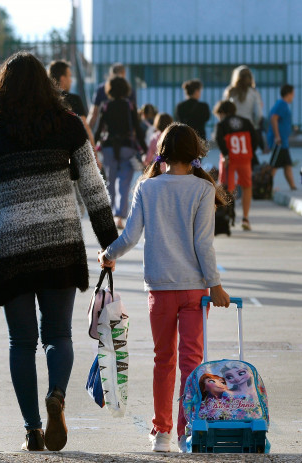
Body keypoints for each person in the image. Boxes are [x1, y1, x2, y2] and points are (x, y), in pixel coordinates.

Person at [0, 52, 118, 452]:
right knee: (58, 334)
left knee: (21, 341)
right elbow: (93, 187)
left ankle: (32, 429)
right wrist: (109, 242)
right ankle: (57, 396)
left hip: (8, 249)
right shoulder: (68, 126)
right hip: (59, 244)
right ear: (47, 86)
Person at [99, 123, 231, 453]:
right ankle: (188, 432)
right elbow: (204, 245)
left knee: (164, 360)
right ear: (195, 153)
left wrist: (108, 255)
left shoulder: (147, 187)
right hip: (194, 291)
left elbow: (130, 236)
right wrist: (215, 285)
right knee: (192, 362)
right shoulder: (202, 190)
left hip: (159, 289)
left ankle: (162, 433)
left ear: (162, 152)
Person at [94, 76, 146, 229]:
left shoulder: (105, 105)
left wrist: (92, 147)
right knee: (124, 183)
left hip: (109, 147)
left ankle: (109, 215)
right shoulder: (130, 106)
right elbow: (137, 128)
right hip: (127, 147)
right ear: (125, 89)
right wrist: (144, 150)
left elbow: (98, 129)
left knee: (110, 181)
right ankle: (119, 217)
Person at [214, 100, 258, 231]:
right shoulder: (246, 122)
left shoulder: (222, 124)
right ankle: (245, 217)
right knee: (246, 186)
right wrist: (250, 152)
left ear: (222, 112)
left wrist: (226, 154)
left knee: (226, 187)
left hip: (229, 159)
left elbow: (218, 139)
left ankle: (226, 216)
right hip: (244, 157)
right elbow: (255, 138)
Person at [48, 60, 95, 147]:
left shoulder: (45, 99)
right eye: (69, 76)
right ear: (63, 79)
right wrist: (94, 155)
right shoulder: (74, 100)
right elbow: (85, 128)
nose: (71, 81)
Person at [223, 65, 265, 156]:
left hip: (232, 128)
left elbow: (224, 112)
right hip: (248, 129)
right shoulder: (254, 93)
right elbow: (259, 114)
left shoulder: (230, 92)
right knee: (247, 158)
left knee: (233, 157)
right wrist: (255, 125)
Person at [88, 63, 137, 130]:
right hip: (125, 132)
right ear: (124, 74)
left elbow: (93, 114)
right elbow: (134, 115)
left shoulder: (102, 89)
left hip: (107, 132)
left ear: (110, 74)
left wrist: (86, 133)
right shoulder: (129, 90)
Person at [267, 84, 297, 190]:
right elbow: (274, 118)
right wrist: (277, 136)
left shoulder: (282, 104)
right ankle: (266, 186)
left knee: (287, 164)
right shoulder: (282, 104)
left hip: (283, 141)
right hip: (279, 141)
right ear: (288, 94)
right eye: (293, 93)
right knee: (274, 165)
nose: (293, 96)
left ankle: (293, 186)